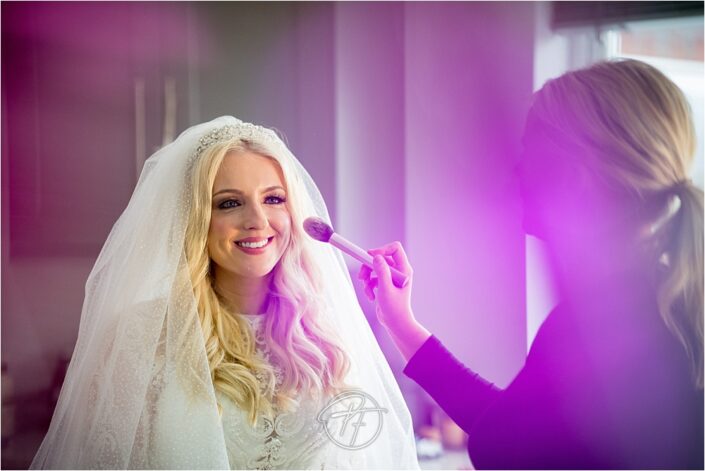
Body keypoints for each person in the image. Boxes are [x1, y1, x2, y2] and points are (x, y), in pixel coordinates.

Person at [359, 59, 704, 469]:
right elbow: (515, 427)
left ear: (574, 177)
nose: (516, 169)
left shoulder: (594, 329)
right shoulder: (668, 300)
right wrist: (402, 325)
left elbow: (503, 443)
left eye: (529, 151)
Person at [30, 116, 419, 469]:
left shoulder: (324, 332)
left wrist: (402, 321)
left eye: (273, 199)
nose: (257, 220)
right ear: (195, 219)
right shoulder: (139, 336)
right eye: (229, 203)